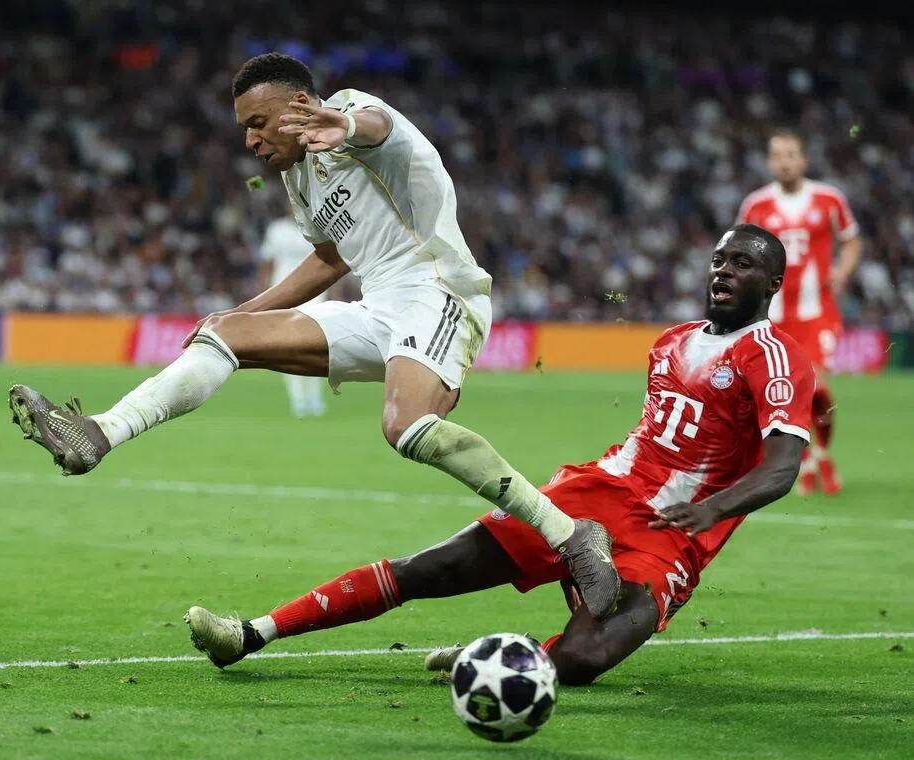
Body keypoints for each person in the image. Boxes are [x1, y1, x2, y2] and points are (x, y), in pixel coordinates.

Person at [6, 52, 621, 618]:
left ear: (299, 107)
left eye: (259, 122)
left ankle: (570, 535)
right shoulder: (297, 178)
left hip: (438, 292)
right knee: (226, 335)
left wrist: (342, 127)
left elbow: (375, 124)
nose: (249, 140)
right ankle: (99, 434)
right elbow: (330, 259)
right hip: (378, 305)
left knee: (404, 426)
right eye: (243, 127)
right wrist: (245, 312)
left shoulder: (352, 114)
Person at [184, 224, 815, 685]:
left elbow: (783, 465)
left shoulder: (776, 355)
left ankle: (488, 658)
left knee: (581, 660)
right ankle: (253, 633)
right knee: (431, 569)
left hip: (673, 534)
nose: (724, 272)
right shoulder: (672, 341)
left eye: (743, 265)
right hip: (595, 495)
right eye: (719, 260)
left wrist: (716, 508)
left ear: (774, 283)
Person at [737, 129, 861, 496]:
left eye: (790, 154)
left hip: (818, 312)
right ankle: (807, 462)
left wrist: (842, 271)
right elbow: (740, 252)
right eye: (777, 155)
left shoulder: (829, 199)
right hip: (773, 316)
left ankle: (822, 455)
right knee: (790, 392)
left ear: (803, 160)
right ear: (769, 161)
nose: (783, 162)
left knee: (817, 388)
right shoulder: (756, 205)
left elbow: (851, 239)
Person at [258, 206, 327, 418]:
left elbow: (329, 261)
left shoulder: (318, 225)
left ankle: (315, 396)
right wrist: (261, 297)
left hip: (315, 294)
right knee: (288, 348)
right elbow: (267, 263)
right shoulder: (276, 229)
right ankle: (297, 399)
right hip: (282, 293)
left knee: (315, 347)